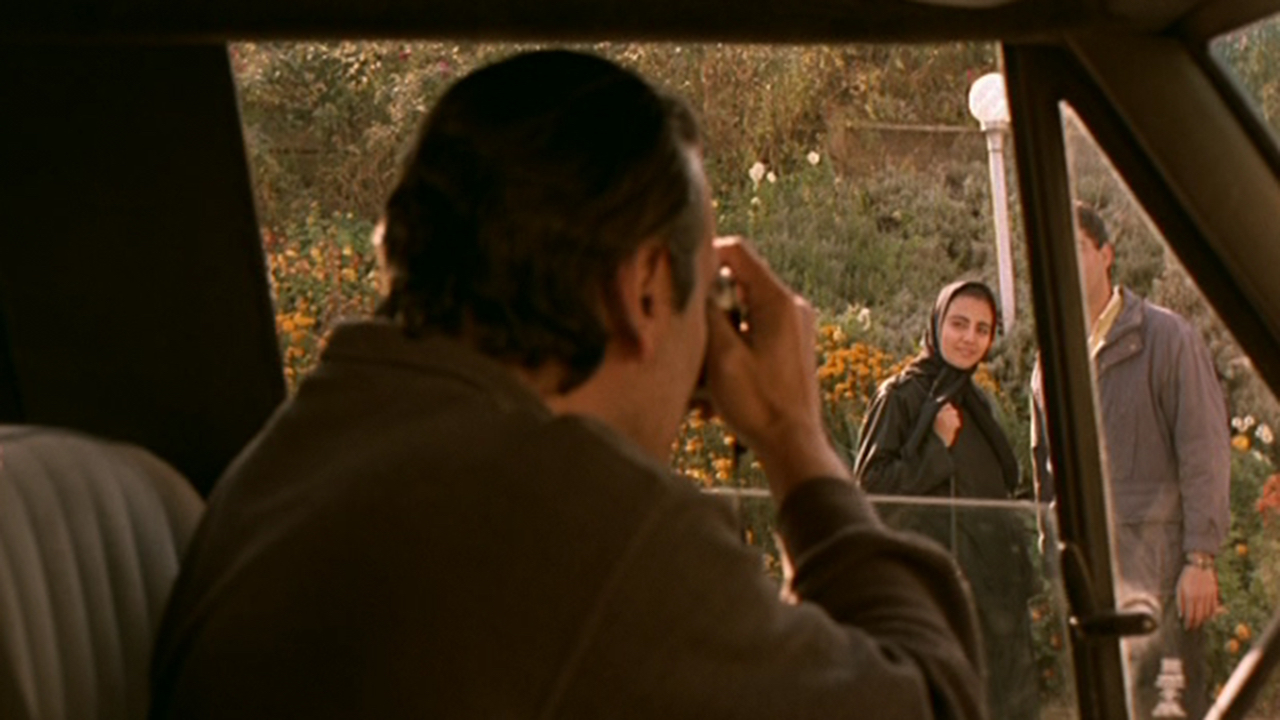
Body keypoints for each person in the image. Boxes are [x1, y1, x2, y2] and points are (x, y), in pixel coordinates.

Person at [148, 50, 986, 719]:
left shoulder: (291, 460)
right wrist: (794, 437)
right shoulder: (584, 521)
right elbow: (932, 704)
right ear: (645, 289)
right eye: (706, 298)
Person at [1031, 202, 1230, 720]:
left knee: (1170, 710)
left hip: (1161, 580)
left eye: (1077, 248)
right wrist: (1055, 562)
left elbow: (1204, 450)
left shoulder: (1168, 338)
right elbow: (1047, 473)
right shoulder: (1051, 358)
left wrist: (1201, 559)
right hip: (1093, 583)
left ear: (1106, 254)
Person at [855, 280, 1039, 720]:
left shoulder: (976, 402)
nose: (969, 338)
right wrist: (936, 445)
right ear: (936, 324)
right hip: (936, 599)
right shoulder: (901, 396)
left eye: (982, 329)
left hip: (994, 602)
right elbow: (870, 491)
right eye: (959, 324)